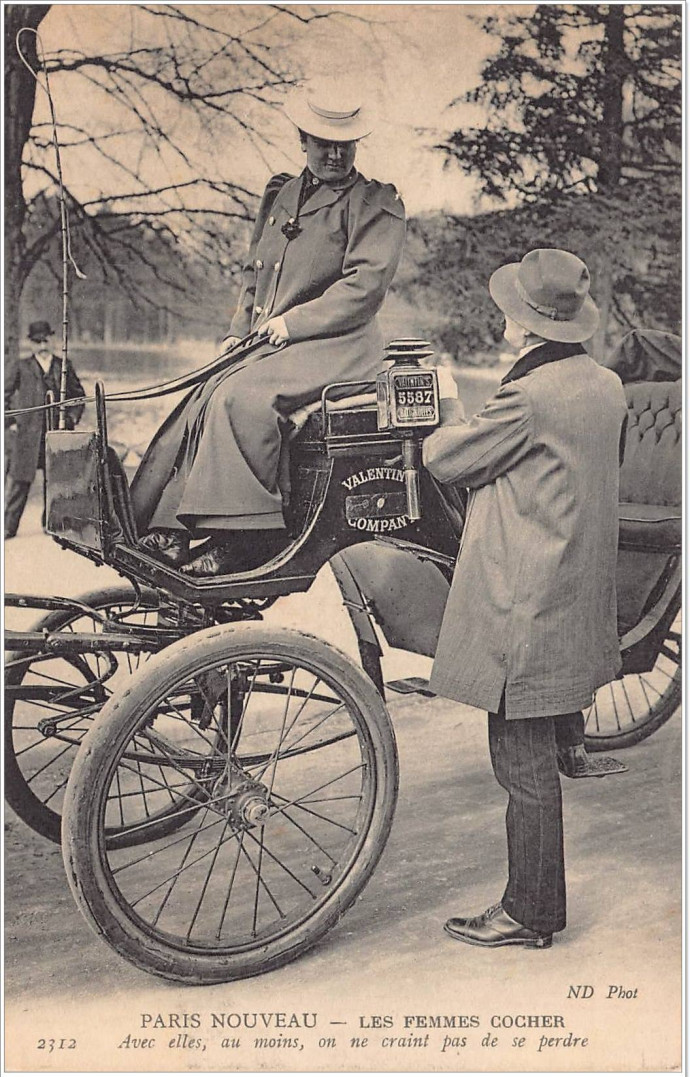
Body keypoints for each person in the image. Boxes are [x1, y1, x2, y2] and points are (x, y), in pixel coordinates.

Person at [422, 248, 628, 949]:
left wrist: (442, 410)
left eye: (511, 313)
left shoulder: (529, 395)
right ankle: (532, 904)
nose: (504, 322)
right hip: (573, 584)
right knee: (535, 751)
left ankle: (529, 911)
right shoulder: (605, 384)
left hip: (528, 598)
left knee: (520, 761)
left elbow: (447, 459)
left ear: (526, 325)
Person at [132, 80, 406, 575]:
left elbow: (363, 290)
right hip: (273, 339)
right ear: (303, 139)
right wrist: (239, 329)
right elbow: (254, 274)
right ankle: (174, 528)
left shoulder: (373, 204)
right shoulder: (281, 195)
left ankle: (244, 540)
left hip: (338, 342)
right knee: (208, 390)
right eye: (324, 143)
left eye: (345, 145)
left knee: (243, 398)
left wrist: (292, 322)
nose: (335, 155)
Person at [4, 320, 85, 538]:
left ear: (52, 340)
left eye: (45, 340)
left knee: (56, 481)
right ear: (30, 343)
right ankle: (8, 527)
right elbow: (5, 395)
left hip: (54, 432)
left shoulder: (63, 365)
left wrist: (71, 418)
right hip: (27, 435)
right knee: (20, 482)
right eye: (37, 341)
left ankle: (51, 524)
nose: (42, 345)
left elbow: (78, 396)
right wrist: (10, 422)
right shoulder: (21, 366)